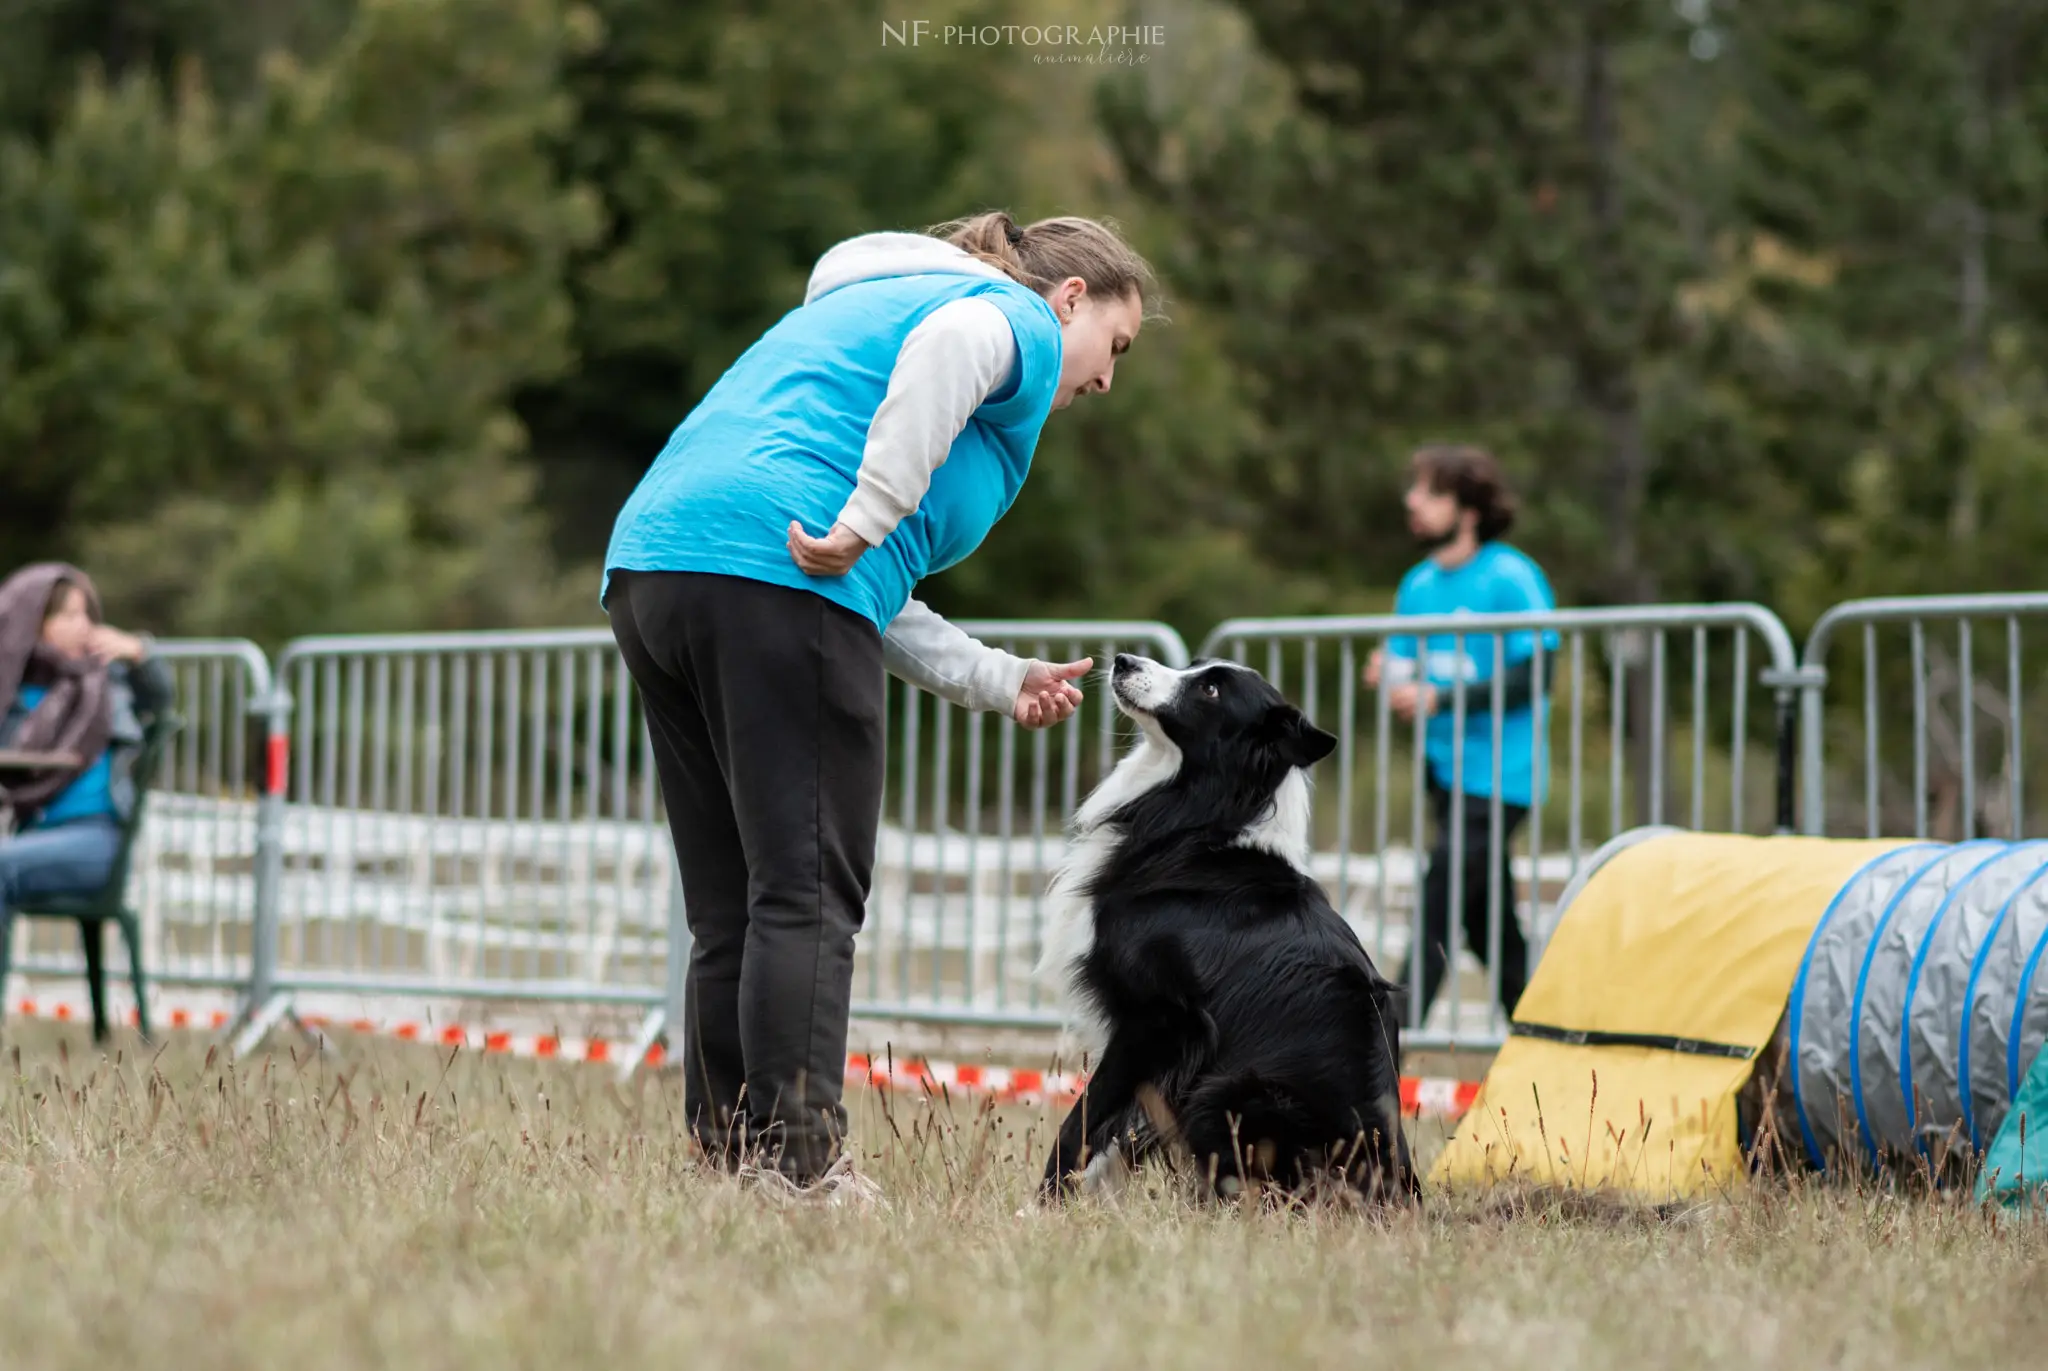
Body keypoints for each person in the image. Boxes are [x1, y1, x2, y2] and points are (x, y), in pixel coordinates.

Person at [602, 211, 1154, 1197]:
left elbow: (865, 584)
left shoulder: (874, 305)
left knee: (733, 903)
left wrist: (997, 675)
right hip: (770, 582)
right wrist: (866, 514)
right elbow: (854, 529)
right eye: (1114, 344)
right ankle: (803, 1166)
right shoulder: (1003, 317)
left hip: (656, 568)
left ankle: (727, 1159)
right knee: (806, 892)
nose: (1108, 380)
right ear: (1069, 298)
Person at [1362, 446, 1557, 1026]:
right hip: (1444, 774)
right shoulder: (1417, 586)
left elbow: (1537, 674)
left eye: (1430, 492)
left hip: (1502, 776)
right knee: (1487, 922)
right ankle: (1540, 1031)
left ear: (1468, 510)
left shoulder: (1512, 576)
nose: (1412, 501)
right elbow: (1410, 668)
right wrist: (1387, 673)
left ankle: (1384, 1044)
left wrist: (1440, 697)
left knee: (1439, 900)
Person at [0, 564, 173, 956]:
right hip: (32, 835)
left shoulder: (108, 682)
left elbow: (161, 701)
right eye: (69, 614)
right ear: (37, 622)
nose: (84, 625)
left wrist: (139, 653)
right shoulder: (13, 695)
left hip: (98, 838)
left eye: (86, 614)